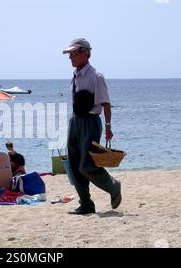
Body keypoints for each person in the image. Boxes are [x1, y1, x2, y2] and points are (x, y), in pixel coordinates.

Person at [62, 38, 122, 215]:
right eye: (70, 54)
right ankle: (86, 204)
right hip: (75, 121)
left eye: (74, 54)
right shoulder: (75, 74)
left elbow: (106, 103)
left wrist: (109, 127)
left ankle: (113, 187)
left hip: (90, 122)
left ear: (85, 53)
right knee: (73, 165)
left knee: (87, 165)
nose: (71, 58)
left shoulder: (96, 76)